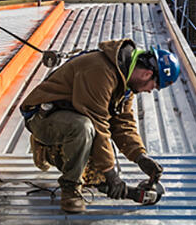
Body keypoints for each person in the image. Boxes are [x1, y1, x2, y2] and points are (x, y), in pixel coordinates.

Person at [20, 39, 181, 214]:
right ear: (147, 74)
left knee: (97, 175)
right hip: (43, 118)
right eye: (155, 86)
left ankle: (54, 153)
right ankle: (69, 187)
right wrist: (111, 174)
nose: (150, 90)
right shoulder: (101, 70)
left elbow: (123, 124)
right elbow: (98, 124)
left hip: (71, 119)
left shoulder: (125, 83)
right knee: (84, 128)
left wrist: (140, 157)